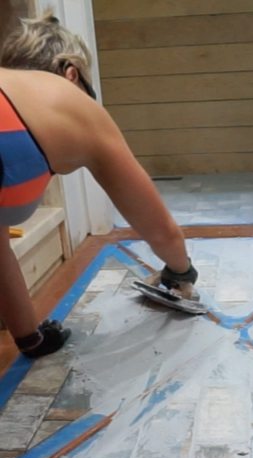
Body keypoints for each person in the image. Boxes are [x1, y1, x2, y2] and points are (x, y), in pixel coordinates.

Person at [0, 11, 198, 359]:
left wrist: (31, 338)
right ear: (71, 74)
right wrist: (181, 269)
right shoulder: (66, 98)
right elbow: (157, 226)